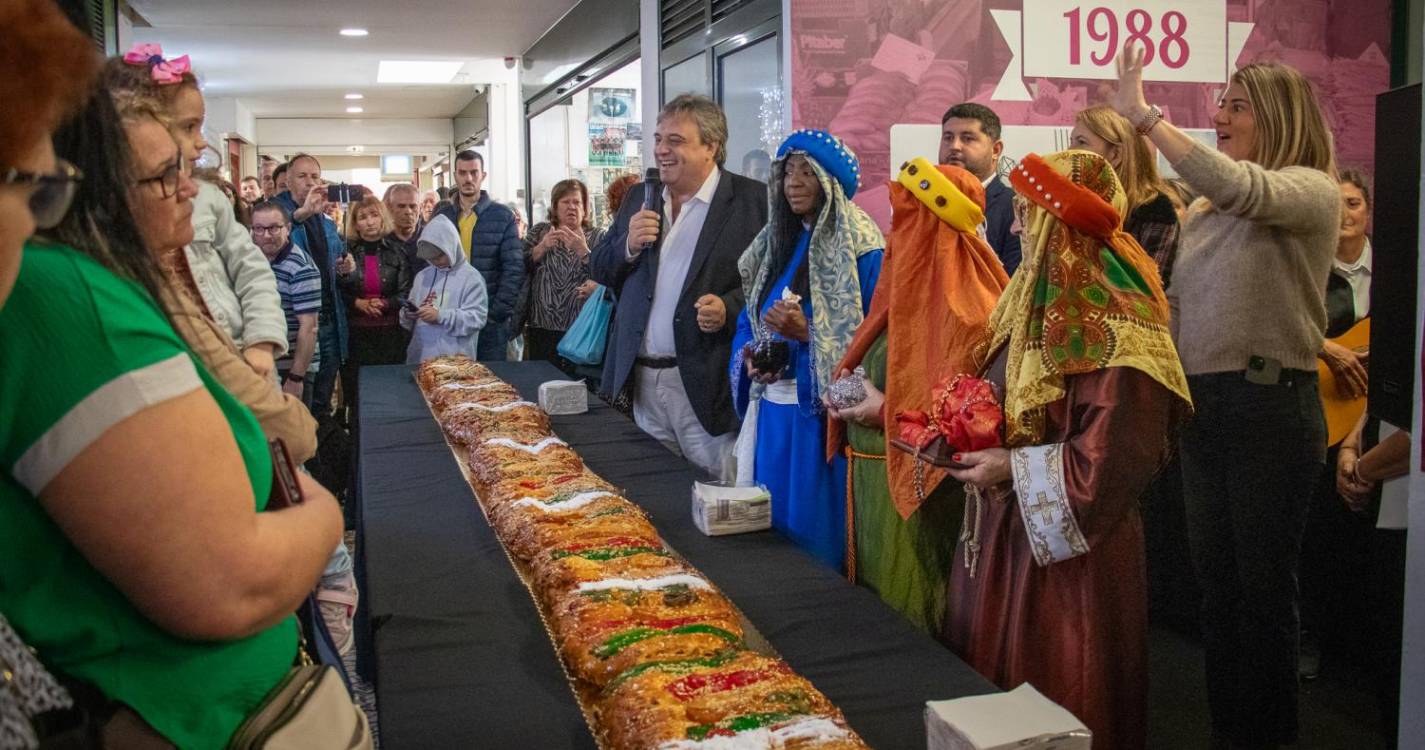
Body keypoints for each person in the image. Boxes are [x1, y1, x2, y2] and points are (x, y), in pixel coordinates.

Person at [2, 17, 343, 748]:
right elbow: (230, 583)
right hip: (197, 720)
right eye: (165, 172)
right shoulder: (67, 295)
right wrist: (323, 515)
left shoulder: (105, 282)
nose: (189, 181)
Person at [1111, 44, 1341, 749]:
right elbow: (1177, 308)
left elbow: (1245, 187)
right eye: (1219, 104)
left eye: (1235, 106)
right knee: (1218, 593)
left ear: (1276, 117)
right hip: (1206, 410)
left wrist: (1145, 117)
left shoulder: (1309, 189)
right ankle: (1226, 733)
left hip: (1272, 409)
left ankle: (1265, 738)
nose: (1219, 116)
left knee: (1263, 596)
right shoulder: (1205, 209)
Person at [945, 150, 1191, 750]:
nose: (1015, 227)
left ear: (1060, 221)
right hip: (1006, 532)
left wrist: (1010, 464)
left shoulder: (1118, 322)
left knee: (1057, 683)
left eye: (1029, 214)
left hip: (1070, 561)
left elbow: (1113, 462)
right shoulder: (1028, 306)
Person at [824, 158, 1007, 632]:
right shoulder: (904, 293)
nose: (892, 232)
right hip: (873, 484)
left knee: (912, 614)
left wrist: (879, 409)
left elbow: (965, 423)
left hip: (921, 503)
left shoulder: (967, 310)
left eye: (905, 218)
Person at [590, 95, 768, 477]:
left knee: (720, 492)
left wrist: (729, 308)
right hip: (640, 383)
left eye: (675, 140)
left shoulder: (752, 202)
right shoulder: (641, 196)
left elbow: (774, 281)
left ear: (712, 147)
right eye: (657, 139)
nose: (661, 150)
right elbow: (601, 268)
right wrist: (627, 247)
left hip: (707, 382)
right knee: (653, 493)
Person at [730, 130, 883, 569]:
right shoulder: (779, 241)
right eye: (787, 172)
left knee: (812, 544)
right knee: (769, 544)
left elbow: (873, 341)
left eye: (806, 173)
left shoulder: (863, 246)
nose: (793, 183)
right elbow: (749, 319)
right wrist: (751, 357)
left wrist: (807, 333)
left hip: (818, 427)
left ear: (829, 182)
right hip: (772, 417)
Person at [105, 49, 289, 380]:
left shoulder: (207, 197)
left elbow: (252, 269)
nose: (202, 143)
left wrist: (261, 341)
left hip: (237, 352)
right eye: (189, 127)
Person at [1298, 168, 1376, 682]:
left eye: (1353, 203)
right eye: (1335, 204)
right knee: (1315, 537)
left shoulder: (1400, 270)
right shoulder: (1305, 272)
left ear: (1368, 209)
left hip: (1380, 421)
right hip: (1317, 417)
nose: (1344, 214)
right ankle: (1311, 639)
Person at [273, 153, 349, 415]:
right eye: (302, 176)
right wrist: (301, 215)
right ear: (288, 181)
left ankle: (322, 452)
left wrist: (346, 265)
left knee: (322, 401)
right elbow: (270, 244)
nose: (309, 182)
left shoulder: (324, 217)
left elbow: (336, 259)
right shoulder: (276, 211)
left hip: (328, 321)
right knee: (295, 404)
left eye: (314, 177)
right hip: (294, 325)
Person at [1071, 105, 1180, 285]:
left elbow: (1148, 290)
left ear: (1115, 154)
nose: (1069, 150)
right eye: (1072, 141)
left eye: (1081, 142)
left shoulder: (1156, 211)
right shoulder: (1072, 206)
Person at [431, 150, 522, 361]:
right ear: (455, 175)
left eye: (474, 172)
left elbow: (514, 269)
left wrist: (496, 313)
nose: (468, 178)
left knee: (490, 383)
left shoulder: (502, 216)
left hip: (488, 318)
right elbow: (430, 267)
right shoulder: (443, 217)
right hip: (449, 316)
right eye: (463, 173)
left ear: (483, 175)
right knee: (451, 383)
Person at [337, 194, 412, 405]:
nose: (369, 222)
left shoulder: (398, 251)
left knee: (389, 392)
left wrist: (386, 303)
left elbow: (406, 292)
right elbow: (337, 291)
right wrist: (357, 303)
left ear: (382, 218)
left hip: (390, 333)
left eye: (374, 215)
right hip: (356, 334)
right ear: (355, 223)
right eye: (362, 217)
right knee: (357, 395)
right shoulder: (344, 252)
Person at [523, 179, 604, 366]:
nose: (572, 207)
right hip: (542, 325)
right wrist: (541, 247)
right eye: (566, 202)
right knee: (542, 381)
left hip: (582, 328)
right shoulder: (539, 232)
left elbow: (606, 274)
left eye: (577, 202)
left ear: (585, 207)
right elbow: (521, 265)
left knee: (577, 387)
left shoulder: (598, 236)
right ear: (555, 207)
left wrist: (583, 250)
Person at [252, 200, 323, 408]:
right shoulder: (252, 260)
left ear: (288, 228)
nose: (266, 235)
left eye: (274, 228)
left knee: (294, 437)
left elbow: (309, 328)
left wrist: (296, 378)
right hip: (263, 364)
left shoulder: (301, 268)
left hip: (292, 366)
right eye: (259, 229)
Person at [940, 102, 1021, 274]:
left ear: (996, 150)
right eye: (948, 137)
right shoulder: (921, 202)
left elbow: (1015, 288)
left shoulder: (1016, 208)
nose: (954, 146)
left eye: (967, 138)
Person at [400, 214, 489, 363]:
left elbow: (477, 318)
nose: (436, 262)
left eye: (440, 256)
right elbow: (409, 318)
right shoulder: (422, 276)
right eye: (431, 258)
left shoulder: (471, 278)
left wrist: (441, 316)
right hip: (421, 357)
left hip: (456, 360)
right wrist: (408, 314)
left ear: (452, 247)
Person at [385, 181, 426, 273]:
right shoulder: (381, 242)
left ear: (420, 208)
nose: (408, 211)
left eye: (413, 206)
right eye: (401, 206)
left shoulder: (430, 238)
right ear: (390, 208)